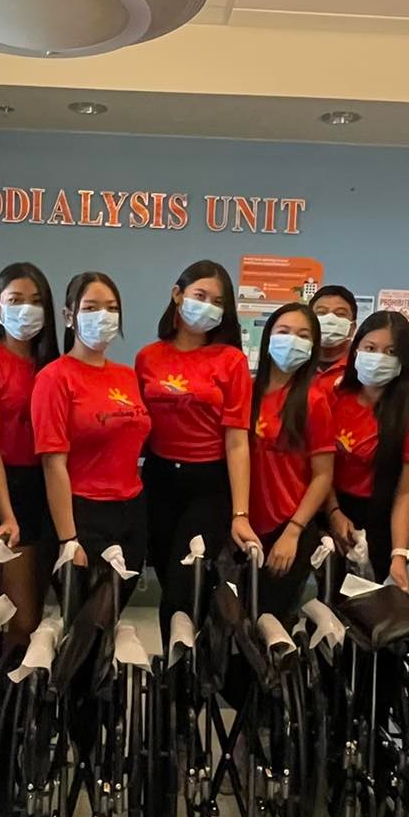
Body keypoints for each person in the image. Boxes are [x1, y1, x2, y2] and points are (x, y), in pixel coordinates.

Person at [135, 260, 257, 635]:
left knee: (183, 586)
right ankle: (181, 665)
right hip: (158, 479)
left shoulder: (231, 361)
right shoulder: (147, 357)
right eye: (199, 296)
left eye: (217, 301)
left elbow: (237, 442)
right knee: (169, 578)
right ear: (177, 295)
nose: (207, 306)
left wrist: (240, 513)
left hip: (208, 483)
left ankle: (186, 674)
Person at [34, 272, 152, 583]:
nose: (103, 316)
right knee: (87, 625)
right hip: (81, 512)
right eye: (90, 308)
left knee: (111, 622)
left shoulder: (127, 375)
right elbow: (52, 462)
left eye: (112, 308)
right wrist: (68, 538)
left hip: (132, 510)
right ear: (68, 316)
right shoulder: (55, 378)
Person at [0, 262, 60, 636]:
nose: (26, 309)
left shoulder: (50, 363)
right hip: (6, 489)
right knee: (20, 618)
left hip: (49, 486)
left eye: (36, 301)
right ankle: (7, 690)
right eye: (16, 300)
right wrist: (7, 515)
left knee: (43, 607)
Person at [326, 309, 409, 584]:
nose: (378, 358)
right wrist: (334, 513)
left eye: (390, 351)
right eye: (370, 348)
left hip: (381, 519)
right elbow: (319, 470)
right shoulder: (335, 398)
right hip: (329, 512)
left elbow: (405, 493)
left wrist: (399, 556)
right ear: (356, 349)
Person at [247, 303, 336, 607]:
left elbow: (323, 475)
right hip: (242, 526)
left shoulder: (314, 401)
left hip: (286, 527)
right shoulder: (245, 392)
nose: (291, 341)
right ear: (269, 336)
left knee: (273, 622)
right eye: (284, 332)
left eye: (302, 335)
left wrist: (293, 532)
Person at [310, 283, 357, 388]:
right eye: (321, 312)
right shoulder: (295, 361)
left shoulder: (362, 366)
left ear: (352, 327)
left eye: (340, 314)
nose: (330, 319)